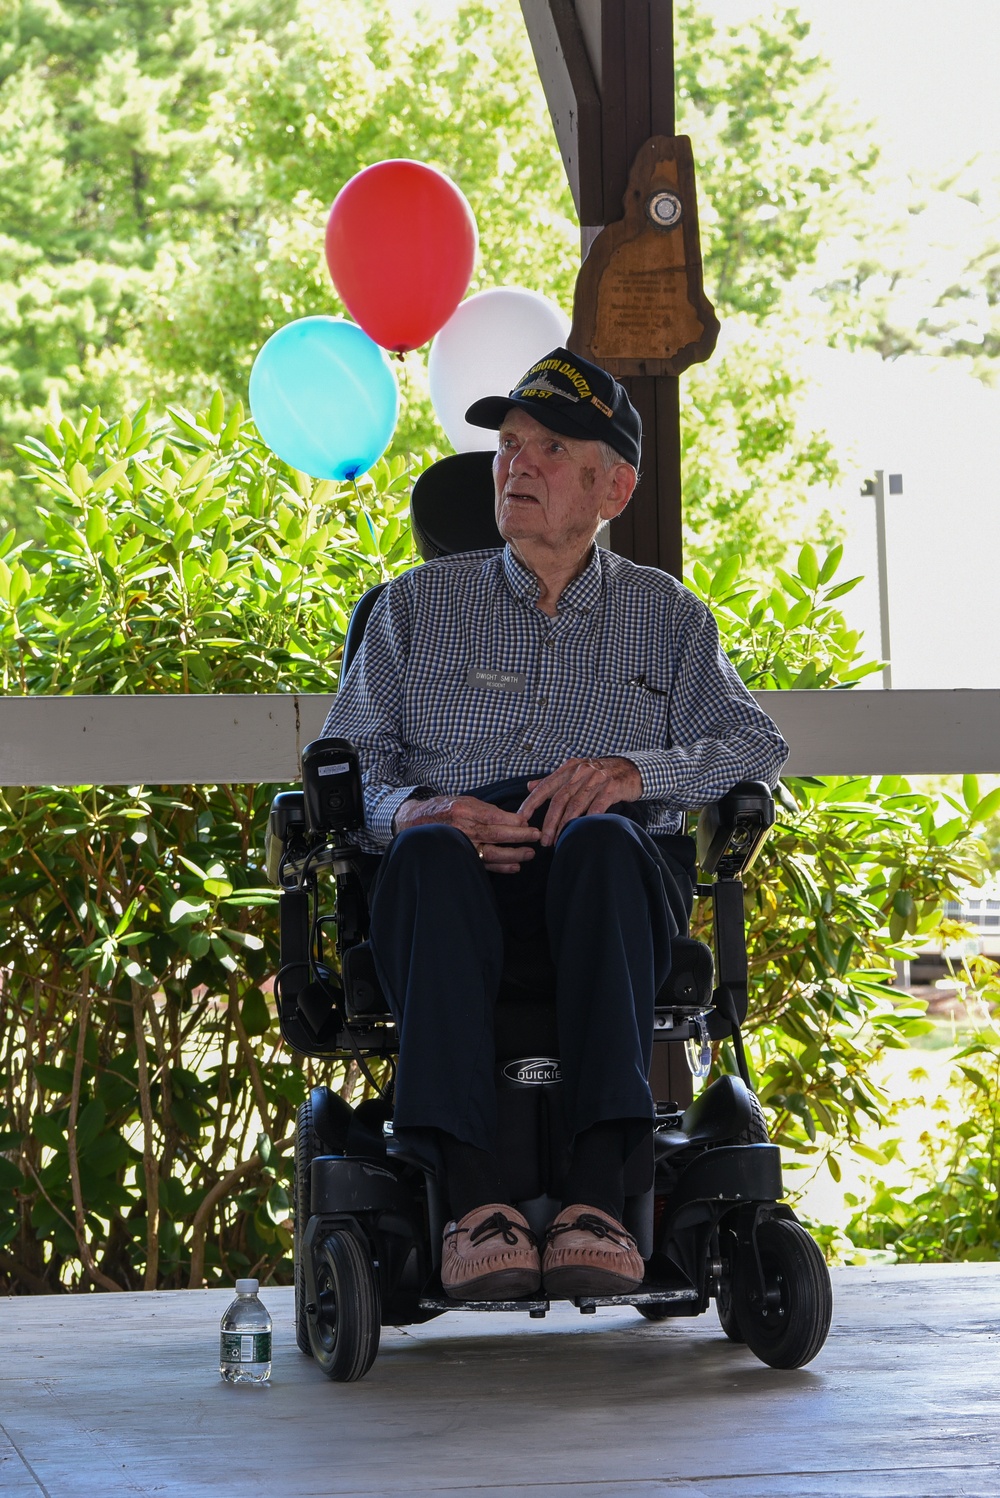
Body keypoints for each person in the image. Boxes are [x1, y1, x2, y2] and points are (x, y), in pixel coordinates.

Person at [320, 347, 788, 1302]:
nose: (515, 465)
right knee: (432, 851)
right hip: (455, 888)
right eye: (508, 446)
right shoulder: (410, 612)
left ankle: (599, 1197)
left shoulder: (669, 618)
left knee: (609, 842)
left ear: (612, 486)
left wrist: (633, 774)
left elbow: (756, 748)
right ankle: (474, 1203)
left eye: (549, 449)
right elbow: (345, 768)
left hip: (604, 886)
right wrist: (418, 810)